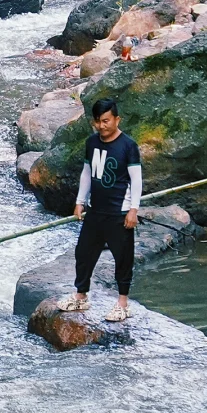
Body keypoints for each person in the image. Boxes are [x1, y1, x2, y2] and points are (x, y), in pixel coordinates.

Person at [56, 97, 142, 324]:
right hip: (96, 210)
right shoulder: (92, 143)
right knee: (84, 252)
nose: (102, 126)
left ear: (116, 119)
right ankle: (81, 295)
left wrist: (133, 209)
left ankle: (123, 304)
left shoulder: (128, 145)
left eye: (106, 121)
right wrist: (80, 200)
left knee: (122, 258)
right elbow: (86, 173)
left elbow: (136, 179)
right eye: (98, 122)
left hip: (119, 211)